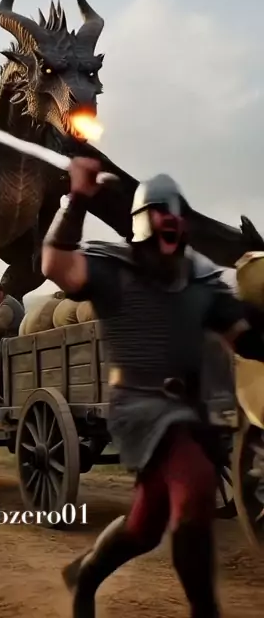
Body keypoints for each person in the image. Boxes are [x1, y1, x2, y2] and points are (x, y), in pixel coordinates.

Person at [41, 157, 264, 618]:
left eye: (176, 213)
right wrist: (77, 197)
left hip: (191, 409)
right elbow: (55, 264)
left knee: (146, 525)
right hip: (140, 405)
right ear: (144, 222)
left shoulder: (202, 282)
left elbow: (244, 338)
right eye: (162, 211)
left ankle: (85, 576)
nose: (170, 220)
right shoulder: (114, 270)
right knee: (195, 484)